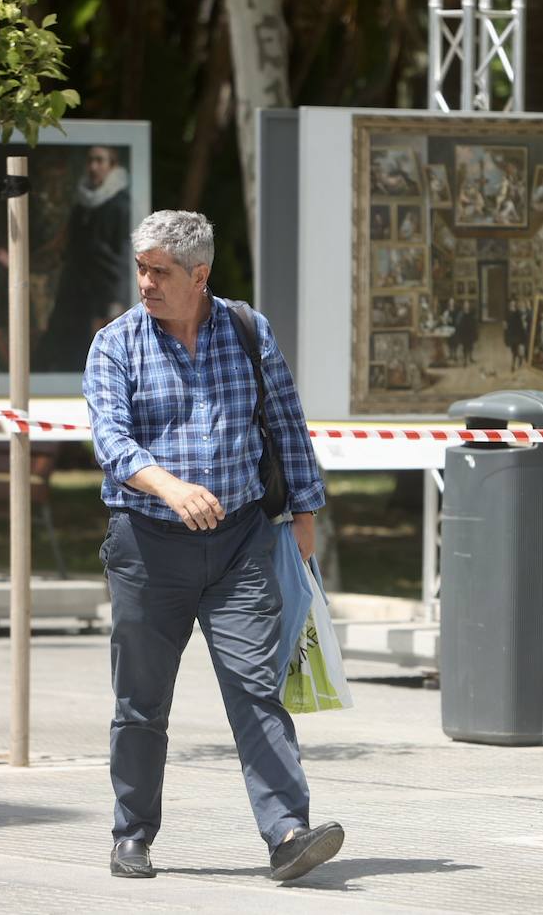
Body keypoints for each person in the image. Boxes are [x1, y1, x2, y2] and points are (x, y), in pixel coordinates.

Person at [83, 210, 343, 882]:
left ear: (199, 275)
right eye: (140, 267)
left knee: (257, 689)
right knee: (141, 702)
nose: (144, 282)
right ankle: (132, 834)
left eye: (159, 271)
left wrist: (305, 513)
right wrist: (169, 487)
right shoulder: (116, 344)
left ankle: (287, 831)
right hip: (146, 546)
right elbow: (111, 441)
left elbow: (286, 422)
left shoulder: (248, 330)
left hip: (241, 546)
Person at [38, 146, 132, 371]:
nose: (93, 167)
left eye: (100, 161)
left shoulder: (120, 205)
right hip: (73, 292)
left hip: (102, 295)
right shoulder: (82, 205)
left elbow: (124, 256)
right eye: (90, 160)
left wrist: (116, 301)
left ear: (113, 166)